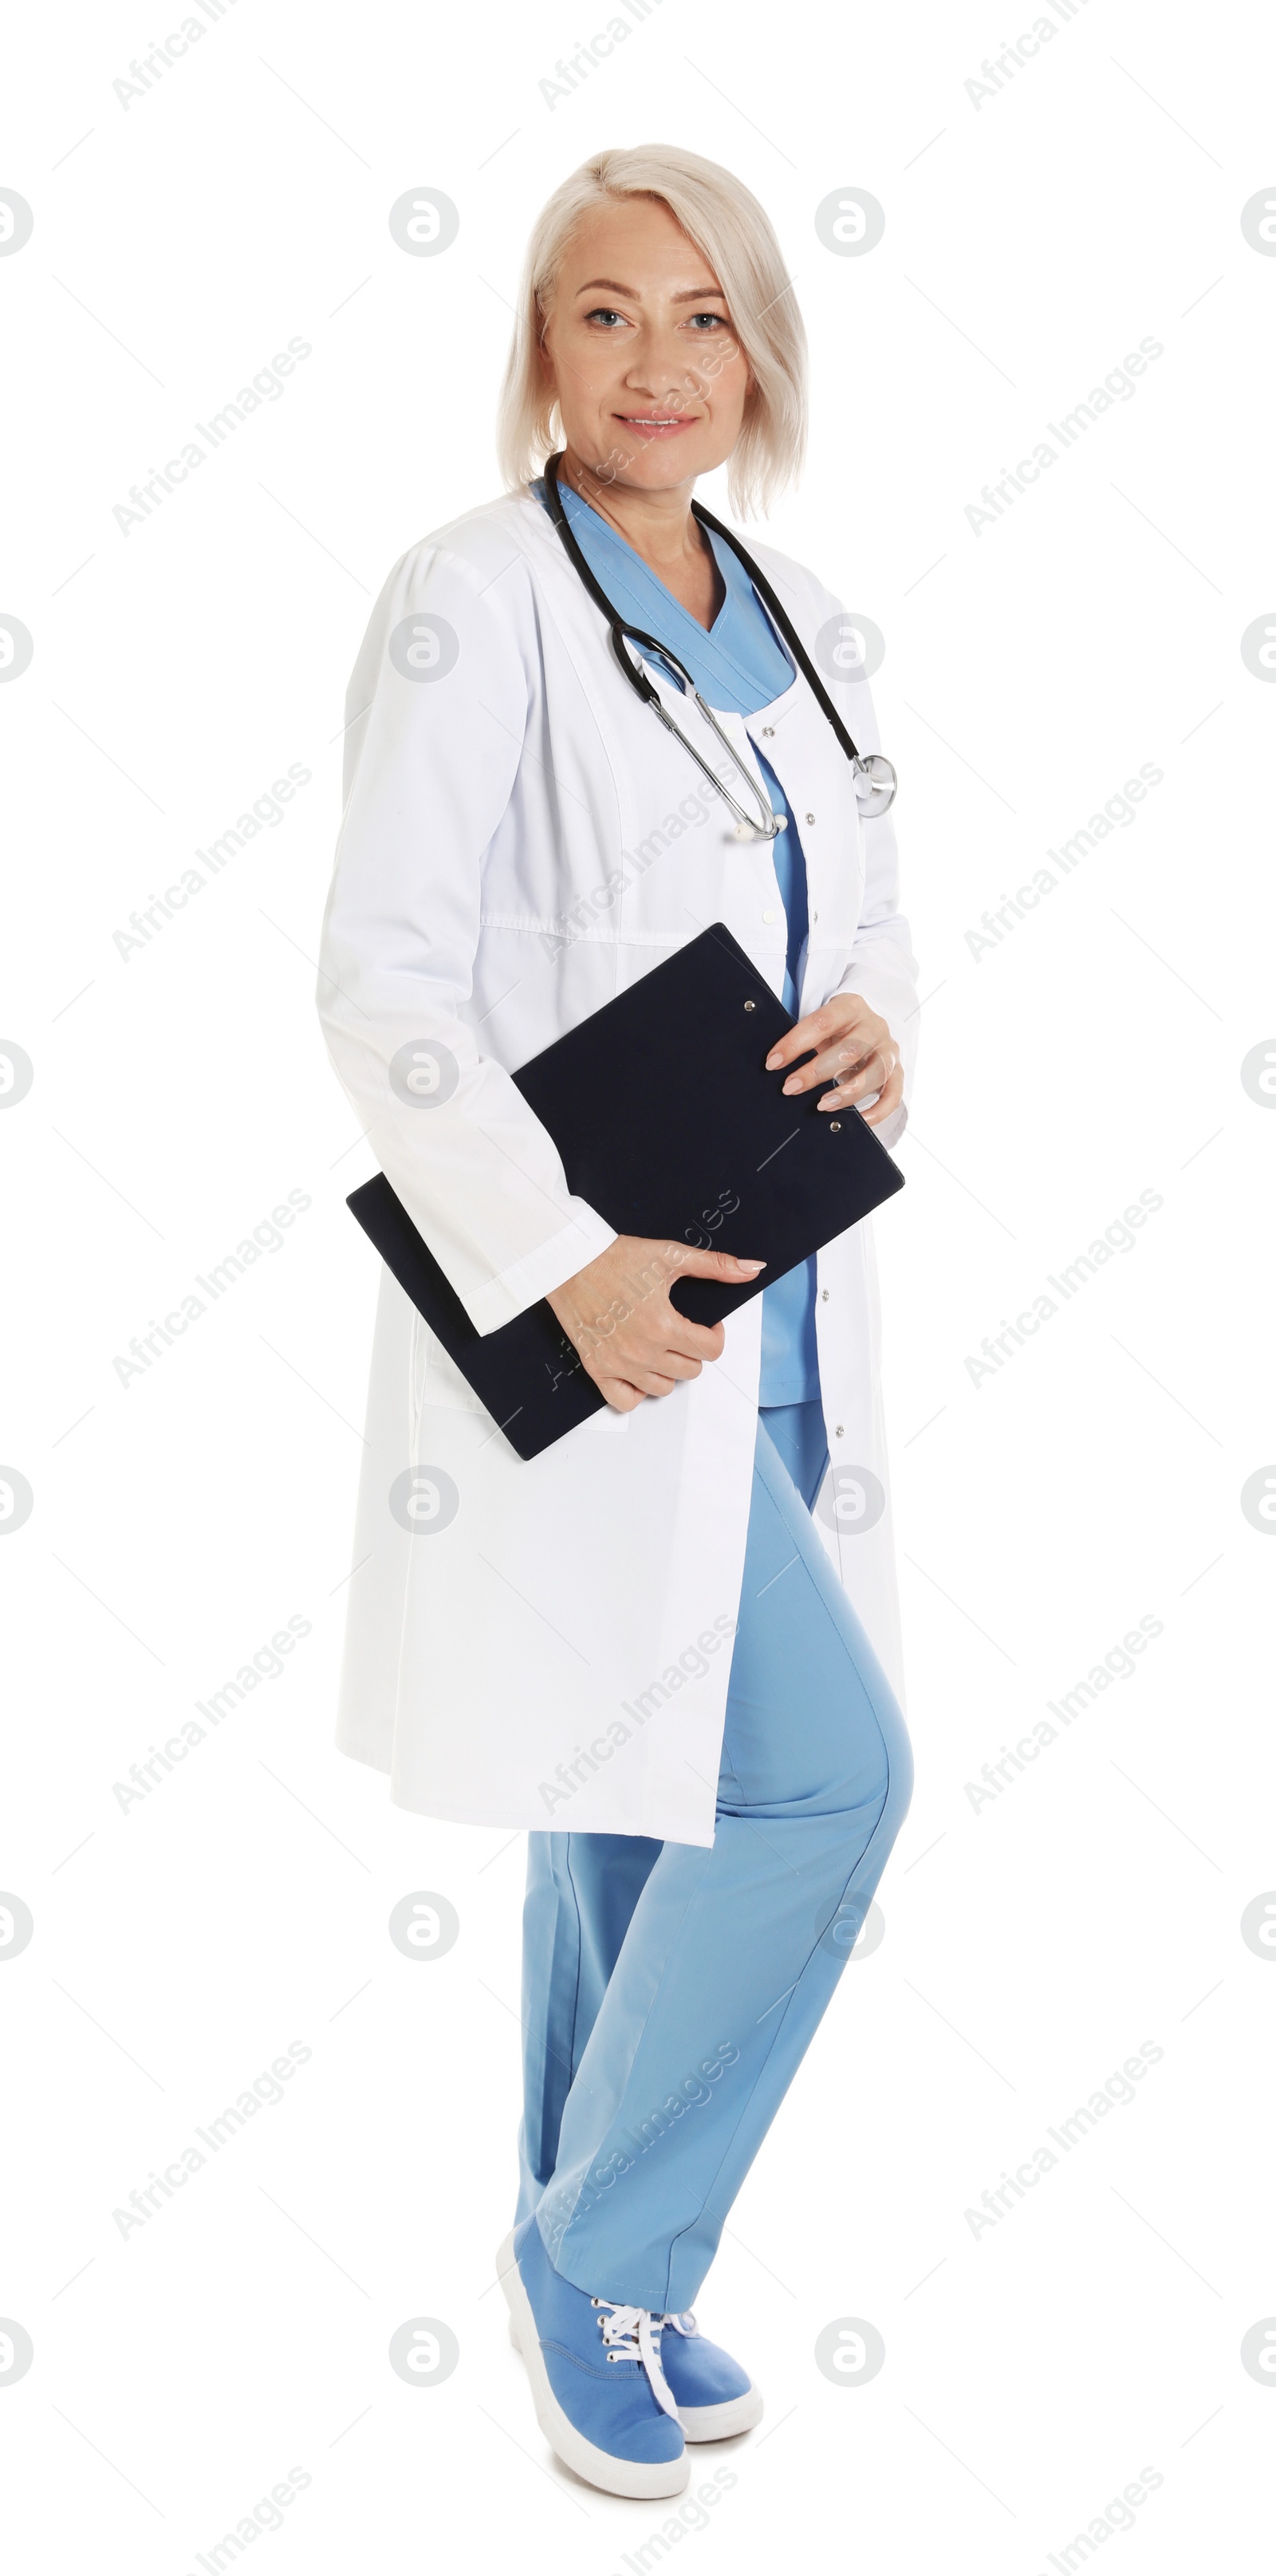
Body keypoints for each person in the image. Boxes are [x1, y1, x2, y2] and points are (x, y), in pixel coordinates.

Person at [317, 143, 919, 2503]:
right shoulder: (472, 599)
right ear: (538, 350)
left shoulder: (812, 619)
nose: (656, 368)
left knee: (635, 1809)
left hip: (775, 1292)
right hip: (594, 1299)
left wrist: (878, 1020)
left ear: (762, 349)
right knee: (826, 1783)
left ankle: (584, 2245)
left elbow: (850, 913)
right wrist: (553, 1262)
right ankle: (603, 2260)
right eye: (600, 316)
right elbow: (384, 982)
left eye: (702, 318)